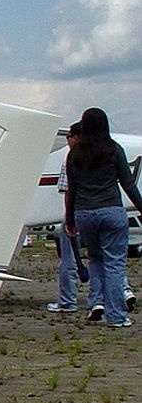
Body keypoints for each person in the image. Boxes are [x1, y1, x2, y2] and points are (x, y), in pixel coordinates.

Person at [65, 107, 142, 329]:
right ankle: (117, 316)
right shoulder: (113, 150)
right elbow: (128, 184)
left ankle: (96, 303)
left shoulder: (74, 154)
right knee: (115, 263)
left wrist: (70, 220)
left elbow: (72, 189)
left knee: (95, 259)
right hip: (111, 210)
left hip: (84, 213)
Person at [48, 124, 85, 313]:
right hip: (100, 211)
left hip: (77, 214)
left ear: (76, 138)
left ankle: (67, 301)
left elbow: (67, 192)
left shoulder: (70, 160)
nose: (68, 140)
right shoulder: (105, 155)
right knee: (104, 259)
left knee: (68, 259)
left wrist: (68, 218)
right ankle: (105, 299)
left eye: (70, 136)